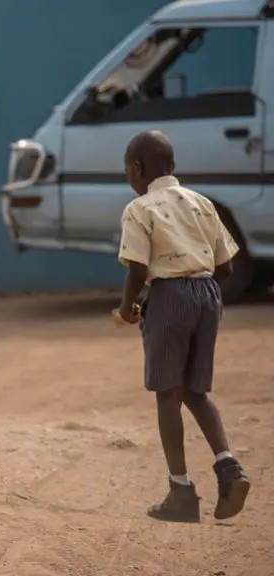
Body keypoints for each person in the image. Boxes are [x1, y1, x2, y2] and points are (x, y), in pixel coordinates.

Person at [115, 130, 250, 522]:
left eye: (128, 171)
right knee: (196, 390)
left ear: (137, 169)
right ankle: (229, 468)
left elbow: (138, 269)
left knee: (166, 393)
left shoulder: (139, 209)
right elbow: (224, 266)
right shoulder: (203, 204)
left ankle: (181, 491)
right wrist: (193, 287)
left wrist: (128, 307)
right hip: (209, 295)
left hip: (170, 298)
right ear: (173, 166)